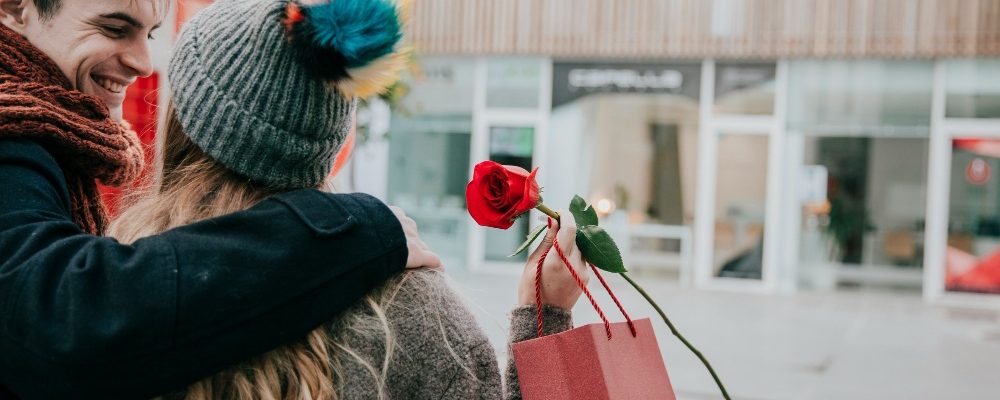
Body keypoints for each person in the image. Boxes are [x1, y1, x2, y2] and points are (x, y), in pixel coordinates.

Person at [111, 0, 589, 398]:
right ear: (333, 144)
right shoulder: (412, 309)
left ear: (180, 122)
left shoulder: (108, 281)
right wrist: (544, 314)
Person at [0, 0, 439, 397]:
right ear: (14, 8)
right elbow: (53, 319)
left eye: (149, 34)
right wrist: (344, 231)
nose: (143, 62)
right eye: (115, 28)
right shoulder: (14, 138)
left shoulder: (42, 134)